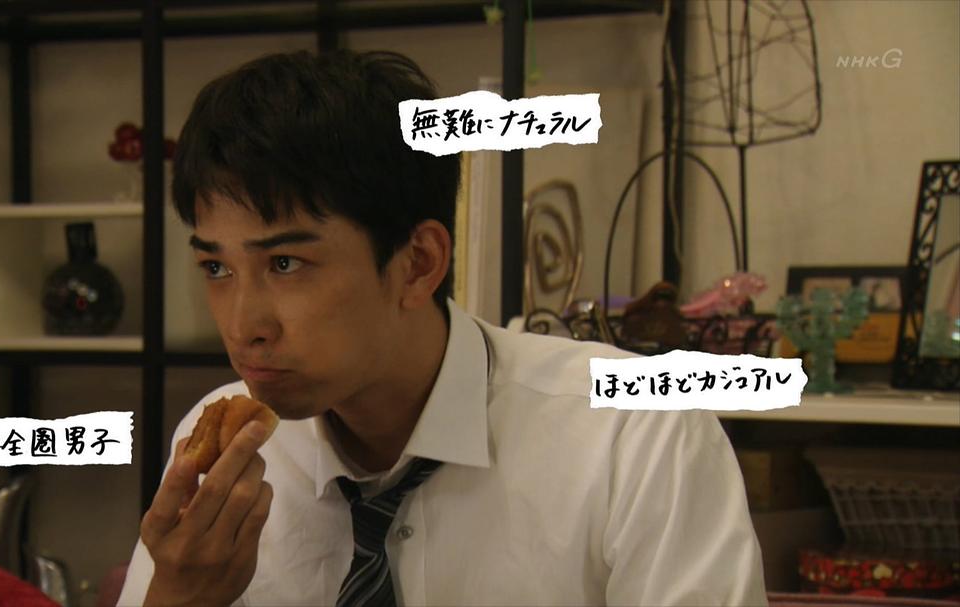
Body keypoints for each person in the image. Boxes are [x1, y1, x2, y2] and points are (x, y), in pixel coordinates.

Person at [118, 49, 767, 607]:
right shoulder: (223, 450)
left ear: (418, 263)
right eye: (216, 267)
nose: (243, 326)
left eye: (285, 263)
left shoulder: (634, 436)